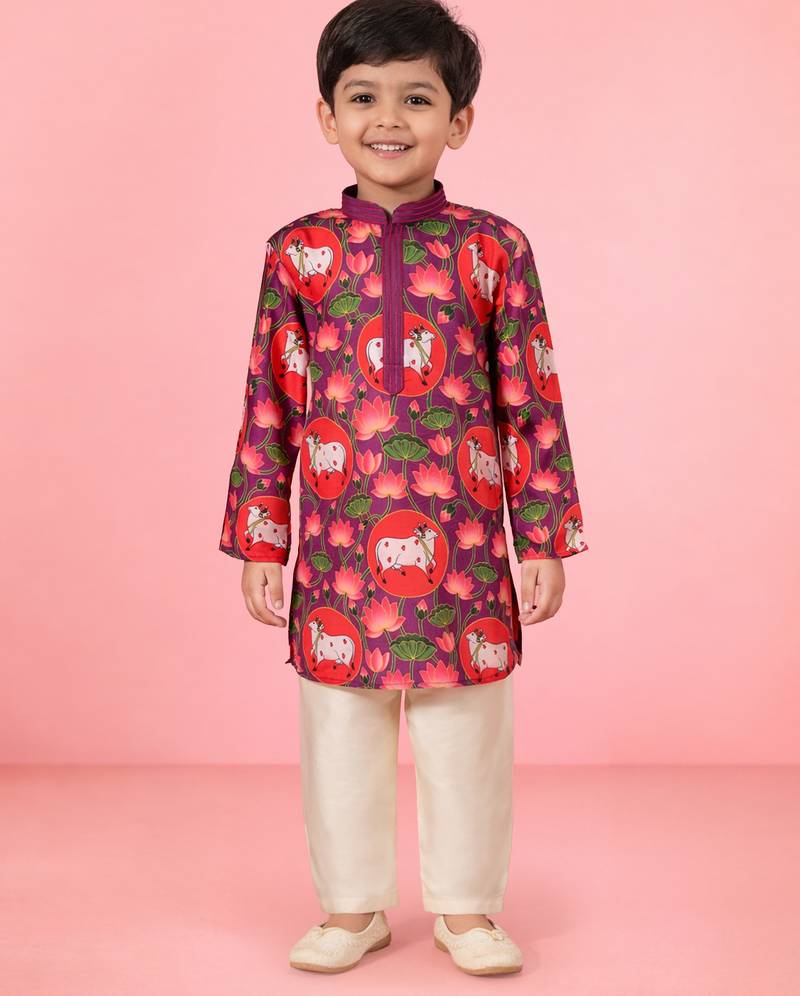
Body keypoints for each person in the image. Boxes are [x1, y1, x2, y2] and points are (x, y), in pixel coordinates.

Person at [218, 0, 589, 976]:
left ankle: (467, 910)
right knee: (340, 725)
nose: (389, 118)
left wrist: (542, 537)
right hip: (339, 551)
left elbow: (530, 397)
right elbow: (270, 401)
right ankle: (352, 910)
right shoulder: (297, 253)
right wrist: (263, 537)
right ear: (327, 116)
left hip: (464, 546)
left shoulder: (493, 249)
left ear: (457, 121)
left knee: (466, 727)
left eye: (417, 98)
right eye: (364, 97)